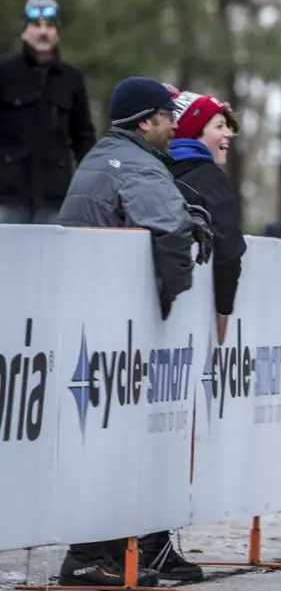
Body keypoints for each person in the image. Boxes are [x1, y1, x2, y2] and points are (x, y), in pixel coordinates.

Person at [55, 77, 214, 587]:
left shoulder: (106, 155)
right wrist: (171, 299)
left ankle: (100, 552)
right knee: (114, 438)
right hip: (115, 329)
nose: (173, 123)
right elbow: (167, 231)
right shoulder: (139, 163)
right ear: (146, 122)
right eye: (167, 115)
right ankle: (87, 554)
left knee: (101, 435)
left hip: (86, 321)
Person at [0, 0, 96, 224]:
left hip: (55, 196)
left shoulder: (71, 79)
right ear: (24, 30)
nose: (43, 32)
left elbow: (83, 136)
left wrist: (90, 182)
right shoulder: (5, 74)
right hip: (7, 196)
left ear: (58, 32)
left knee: (51, 260)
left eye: (50, 25)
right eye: (36, 25)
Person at [168, 86, 246, 346]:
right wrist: (223, 311)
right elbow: (228, 251)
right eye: (219, 126)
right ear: (193, 130)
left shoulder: (151, 170)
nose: (228, 133)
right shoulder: (211, 181)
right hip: (191, 327)